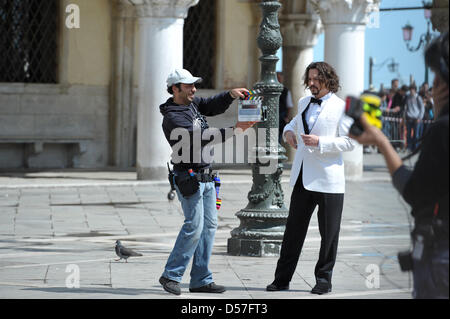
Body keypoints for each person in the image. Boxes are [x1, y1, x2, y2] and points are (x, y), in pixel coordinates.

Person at [349, 32, 448, 299]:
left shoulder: (443, 130)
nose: (436, 83)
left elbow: (415, 191)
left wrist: (381, 142)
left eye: (438, 75)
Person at [159, 68, 255, 295]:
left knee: (209, 227)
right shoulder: (173, 116)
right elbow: (198, 138)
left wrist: (230, 95)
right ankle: (171, 275)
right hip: (189, 177)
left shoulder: (191, 104)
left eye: (194, 85)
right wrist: (234, 130)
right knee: (194, 226)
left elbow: (211, 105)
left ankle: (200, 279)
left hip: (208, 177)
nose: (194, 89)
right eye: (188, 86)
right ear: (175, 89)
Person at [266, 62, 356, 295]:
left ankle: (323, 281)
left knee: (329, 235)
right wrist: (287, 132)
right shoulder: (304, 101)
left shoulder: (341, 107)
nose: (312, 83)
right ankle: (281, 279)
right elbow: (295, 123)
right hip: (303, 177)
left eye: (317, 79)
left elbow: (349, 142)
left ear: (328, 79)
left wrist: (321, 143)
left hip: (329, 181)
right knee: (292, 233)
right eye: (310, 79)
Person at [404, 84, 425, 152]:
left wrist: (419, 118)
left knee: (416, 135)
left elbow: (422, 108)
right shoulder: (407, 97)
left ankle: (415, 148)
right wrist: (405, 116)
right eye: (410, 89)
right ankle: (409, 148)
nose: (411, 91)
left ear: (415, 90)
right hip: (409, 118)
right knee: (408, 135)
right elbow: (406, 107)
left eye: (412, 89)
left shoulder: (418, 97)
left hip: (416, 118)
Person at [277, 72, 294, 142]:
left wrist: (286, 117)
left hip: (281, 119)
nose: (278, 80)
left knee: (279, 139)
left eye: (279, 78)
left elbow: (289, 105)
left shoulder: (286, 91)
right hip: (270, 118)